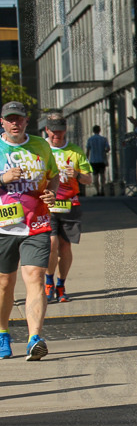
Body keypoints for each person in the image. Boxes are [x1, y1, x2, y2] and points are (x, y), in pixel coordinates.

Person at [0, 101, 60, 360]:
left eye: (20, 118)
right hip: (3, 226)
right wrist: (3, 179)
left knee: (35, 277)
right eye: (10, 119)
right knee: (4, 284)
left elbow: (53, 175)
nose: (15, 123)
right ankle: (2, 333)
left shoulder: (41, 145)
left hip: (37, 223)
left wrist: (52, 192)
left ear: (27, 121)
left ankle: (35, 338)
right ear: (2, 121)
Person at [43, 113, 92, 303]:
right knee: (51, 244)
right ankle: (48, 283)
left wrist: (78, 175)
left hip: (70, 204)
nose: (58, 136)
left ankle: (61, 285)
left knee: (65, 246)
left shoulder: (75, 151)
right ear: (47, 130)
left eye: (61, 132)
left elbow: (89, 179)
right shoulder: (41, 148)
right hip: (47, 205)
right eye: (54, 132)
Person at [85, 125, 110, 196]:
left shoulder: (90, 139)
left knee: (95, 177)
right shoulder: (104, 139)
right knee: (102, 176)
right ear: (100, 130)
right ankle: (102, 189)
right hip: (102, 160)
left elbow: (88, 150)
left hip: (93, 160)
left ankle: (97, 191)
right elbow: (108, 149)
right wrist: (104, 151)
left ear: (93, 131)